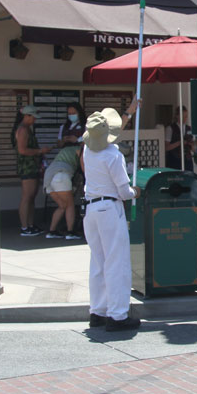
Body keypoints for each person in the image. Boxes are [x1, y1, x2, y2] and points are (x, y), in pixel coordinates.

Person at [80, 99, 142, 331]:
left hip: (91, 209)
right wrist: (135, 192)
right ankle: (117, 315)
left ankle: (98, 310)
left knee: (98, 261)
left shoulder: (88, 150)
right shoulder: (113, 156)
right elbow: (124, 192)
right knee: (117, 263)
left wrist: (128, 114)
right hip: (109, 209)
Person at [44, 102, 86, 239]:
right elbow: (60, 143)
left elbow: (86, 140)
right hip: (64, 174)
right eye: (69, 113)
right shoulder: (77, 150)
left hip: (49, 177)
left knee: (62, 205)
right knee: (69, 205)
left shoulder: (85, 128)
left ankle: (52, 231)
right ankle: (70, 231)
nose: (71, 115)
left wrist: (77, 139)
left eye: (74, 113)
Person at [13, 104, 51, 237]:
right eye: (33, 117)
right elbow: (22, 150)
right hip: (27, 167)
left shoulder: (27, 129)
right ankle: (25, 226)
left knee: (31, 197)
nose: (34, 120)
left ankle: (30, 224)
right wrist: (40, 151)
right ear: (26, 116)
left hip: (32, 166)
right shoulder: (23, 130)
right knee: (26, 197)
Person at [164, 105, 194, 170]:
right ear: (177, 116)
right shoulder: (170, 128)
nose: (185, 118)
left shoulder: (189, 129)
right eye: (182, 116)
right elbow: (166, 148)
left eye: (186, 116)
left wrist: (192, 145)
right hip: (174, 161)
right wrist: (179, 143)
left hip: (187, 161)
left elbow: (193, 148)